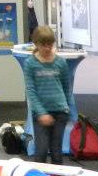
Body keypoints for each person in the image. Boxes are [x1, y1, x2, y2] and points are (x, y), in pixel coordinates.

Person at [23, 26, 70, 165]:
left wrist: (69, 109)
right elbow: (30, 91)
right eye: (44, 45)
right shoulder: (30, 63)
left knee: (56, 152)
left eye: (50, 44)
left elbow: (67, 88)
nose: (48, 48)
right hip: (40, 113)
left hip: (60, 111)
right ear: (36, 44)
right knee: (41, 151)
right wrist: (42, 113)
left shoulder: (61, 62)